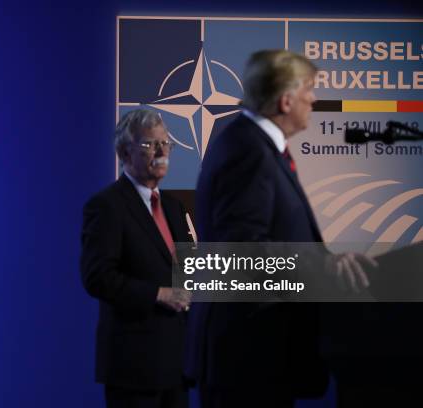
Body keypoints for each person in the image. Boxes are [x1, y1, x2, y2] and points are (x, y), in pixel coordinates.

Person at [186, 50, 376, 407]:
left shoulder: (256, 147)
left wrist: (328, 263)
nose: (314, 99)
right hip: (245, 354)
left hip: (260, 353)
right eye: (309, 89)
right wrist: (322, 266)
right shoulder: (247, 151)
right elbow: (241, 249)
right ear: (286, 100)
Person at [80, 109, 192, 408]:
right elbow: (98, 277)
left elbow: (187, 266)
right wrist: (158, 293)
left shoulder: (174, 207)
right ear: (124, 151)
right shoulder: (106, 206)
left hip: (176, 364)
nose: (161, 152)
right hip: (133, 366)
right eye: (149, 145)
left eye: (166, 144)